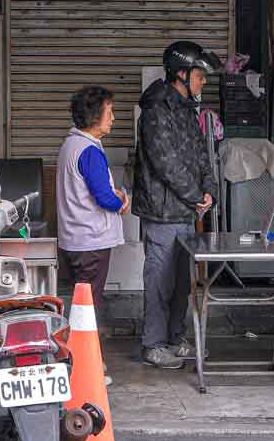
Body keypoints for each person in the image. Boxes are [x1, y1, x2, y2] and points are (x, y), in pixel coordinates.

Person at [133, 41, 221, 370]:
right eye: (199, 75)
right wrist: (196, 195)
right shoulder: (156, 110)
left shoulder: (187, 109)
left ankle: (175, 337)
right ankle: (153, 344)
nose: (203, 81)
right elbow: (164, 163)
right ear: (181, 74)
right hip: (161, 211)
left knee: (182, 281)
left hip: (185, 210)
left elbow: (201, 155)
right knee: (160, 280)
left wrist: (209, 190)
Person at [57, 85, 128, 309]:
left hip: (75, 239)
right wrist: (122, 201)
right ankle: (83, 344)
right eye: (110, 112)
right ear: (94, 116)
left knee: (82, 300)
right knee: (89, 305)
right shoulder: (89, 150)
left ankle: (80, 341)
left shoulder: (71, 145)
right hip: (90, 241)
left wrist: (109, 192)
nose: (113, 118)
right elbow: (104, 198)